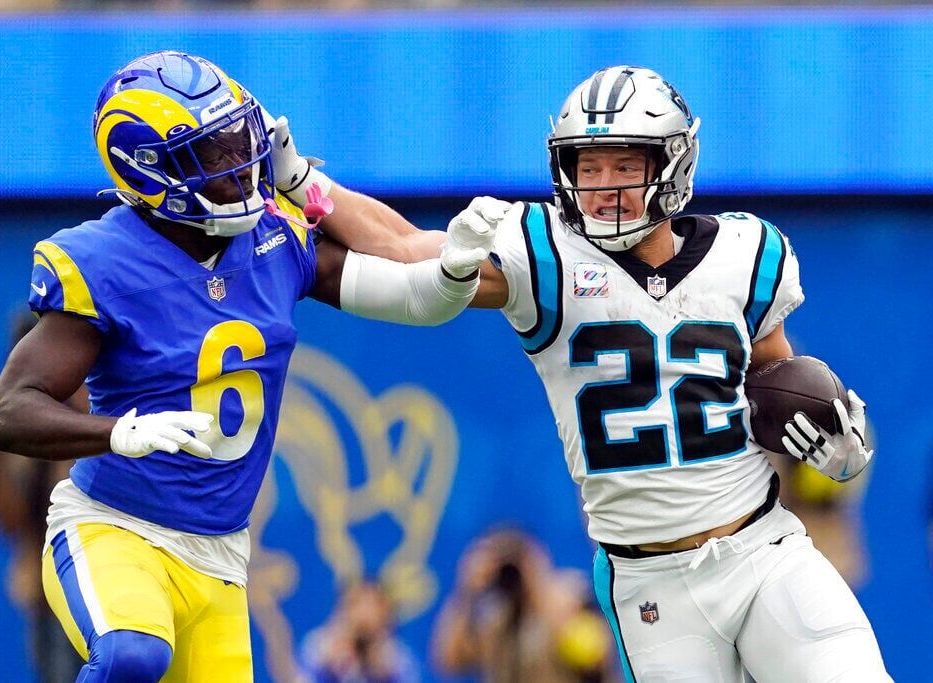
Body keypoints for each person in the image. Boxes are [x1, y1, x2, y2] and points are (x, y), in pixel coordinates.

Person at [288, 65, 890, 681]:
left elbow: (777, 377)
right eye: (588, 166)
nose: (603, 186)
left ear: (673, 164)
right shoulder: (544, 253)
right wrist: (302, 180)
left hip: (764, 550)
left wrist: (836, 445)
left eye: (625, 166)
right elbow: (401, 246)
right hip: (650, 584)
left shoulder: (747, 252)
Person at [0, 50, 497, 682]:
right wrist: (118, 431)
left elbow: (417, 298)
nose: (241, 164)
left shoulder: (276, 241)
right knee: (130, 654)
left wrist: (454, 268)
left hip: (220, 557)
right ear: (151, 170)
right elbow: (9, 412)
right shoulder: (106, 260)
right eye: (214, 153)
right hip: (115, 528)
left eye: (238, 141)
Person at [0, 313, 86, 682]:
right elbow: (9, 517)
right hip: (46, 594)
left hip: (93, 589)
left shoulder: (86, 423)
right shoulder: (9, 431)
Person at [433, 529, 615, 683]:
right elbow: (449, 661)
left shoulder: (570, 596)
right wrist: (467, 592)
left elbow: (594, 657)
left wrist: (538, 586)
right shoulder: (495, 615)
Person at [299, 580, 420, 683]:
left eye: (373, 605)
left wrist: (379, 669)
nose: (364, 613)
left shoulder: (398, 658)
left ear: (386, 614)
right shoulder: (319, 646)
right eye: (357, 604)